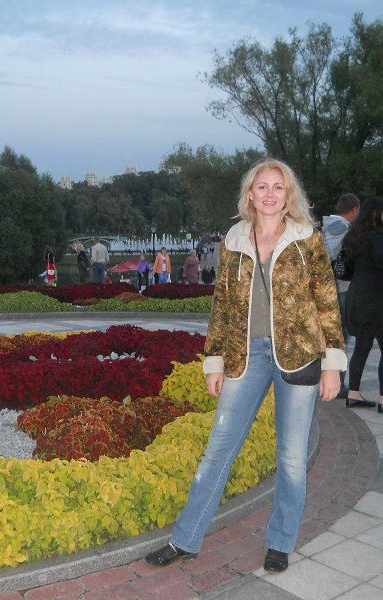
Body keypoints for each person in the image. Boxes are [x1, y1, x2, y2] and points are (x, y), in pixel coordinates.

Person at [145, 158, 345, 573]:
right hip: (245, 355)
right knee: (218, 450)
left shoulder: (306, 238)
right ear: (250, 194)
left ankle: (280, 542)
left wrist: (332, 363)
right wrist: (214, 360)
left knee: (291, 458)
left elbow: (327, 302)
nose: (270, 194)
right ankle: (185, 539)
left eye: (278, 187)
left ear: (288, 195)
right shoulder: (234, 240)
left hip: (298, 356)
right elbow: (222, 305)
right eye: (262, 187)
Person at [343, 197, 383, 412]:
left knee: (361, 347)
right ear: (377, 214)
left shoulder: (354, 236)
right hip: (375, 300)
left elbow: (347, 268)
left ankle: (353, 393)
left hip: (357, 297)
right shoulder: (377, 236)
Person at [322, 194, 360, 398]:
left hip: (331, 288)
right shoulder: (342, 228)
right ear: (354, 209)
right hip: (341, 288)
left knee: (334, 336)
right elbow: (332, 256)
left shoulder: (328, 227)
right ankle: (338, 383)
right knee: (342, 336)